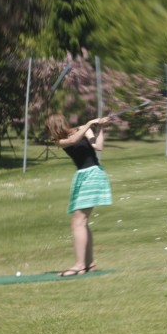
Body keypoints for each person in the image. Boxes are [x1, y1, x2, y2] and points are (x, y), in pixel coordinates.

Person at [46, 113, 112, 276]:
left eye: (49, 128)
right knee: (81, 221)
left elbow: (98, 146)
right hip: (83, 176)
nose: (49, 132)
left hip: (92, 174)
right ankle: (88, 264)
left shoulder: (83, 129)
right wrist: (89, 123)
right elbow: (73, 140)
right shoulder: (60, 141)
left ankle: (79, 265)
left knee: (78, 222)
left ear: (55, 126)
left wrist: (100, 128)